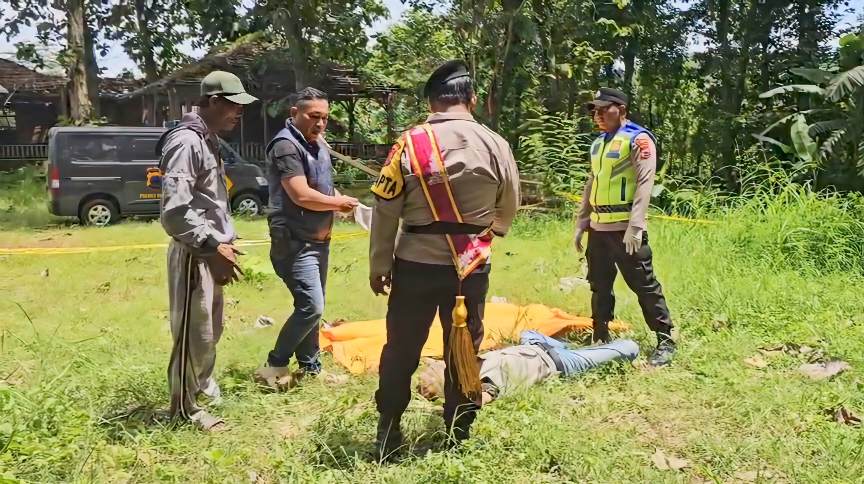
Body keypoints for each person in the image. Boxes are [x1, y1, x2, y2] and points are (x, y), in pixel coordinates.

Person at [368, 59, 520, 457]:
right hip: (469, 267)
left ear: (431, 101)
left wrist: (379, 264)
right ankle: (458, 433)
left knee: (401, 347)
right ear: (471, 99)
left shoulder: (408, 143)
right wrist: (487, 235)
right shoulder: (496, 144)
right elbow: (510, 204)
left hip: (414, 266)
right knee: (465, 350)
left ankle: (388, 429)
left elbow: (385, 207)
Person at [158, 71, 257, 430]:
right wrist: (212, 244)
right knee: (191, 334)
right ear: (214, 102)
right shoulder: (186, 142)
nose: (238, 114)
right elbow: (175, 210)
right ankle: (184, 410)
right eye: (233, 106)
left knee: (209, 331)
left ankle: (200, 389)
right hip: (195, 251)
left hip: (212, 248)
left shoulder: (207, 139)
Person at [253, 87, 359, 389]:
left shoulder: (317, 142)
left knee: (314, 307)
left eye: (325, 118)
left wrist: (341, 201)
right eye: (314, 117)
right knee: (311, 306)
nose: (321, 123)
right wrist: (338, 204)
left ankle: (311, 369)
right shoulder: (286, 146)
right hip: (295, 242)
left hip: (318, 240)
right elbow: (300, 195)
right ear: (294, 114)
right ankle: (275, 364)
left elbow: (322, 189)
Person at [573, 87, 675, 367]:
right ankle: (600, 333)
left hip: (625, 229)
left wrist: (636, 225)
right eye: (595, 110)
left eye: (605, 109)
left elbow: (645, 183)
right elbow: (592, 181)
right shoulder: (598, 143)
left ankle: (665, 340)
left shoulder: (638, 140)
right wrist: (582, 221)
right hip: (599, 229)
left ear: (622, 109)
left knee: (644, 284)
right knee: (599, 284)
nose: (598, 115)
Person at [417, 331, 640, 404]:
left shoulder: (471, 361)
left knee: (527, 333)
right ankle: (582, 352)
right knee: (628, 347)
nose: (441, 360)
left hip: (537, 346)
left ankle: (574, 347)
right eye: (441, 365)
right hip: (560, 363)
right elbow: (485, 397)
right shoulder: (486, 381)